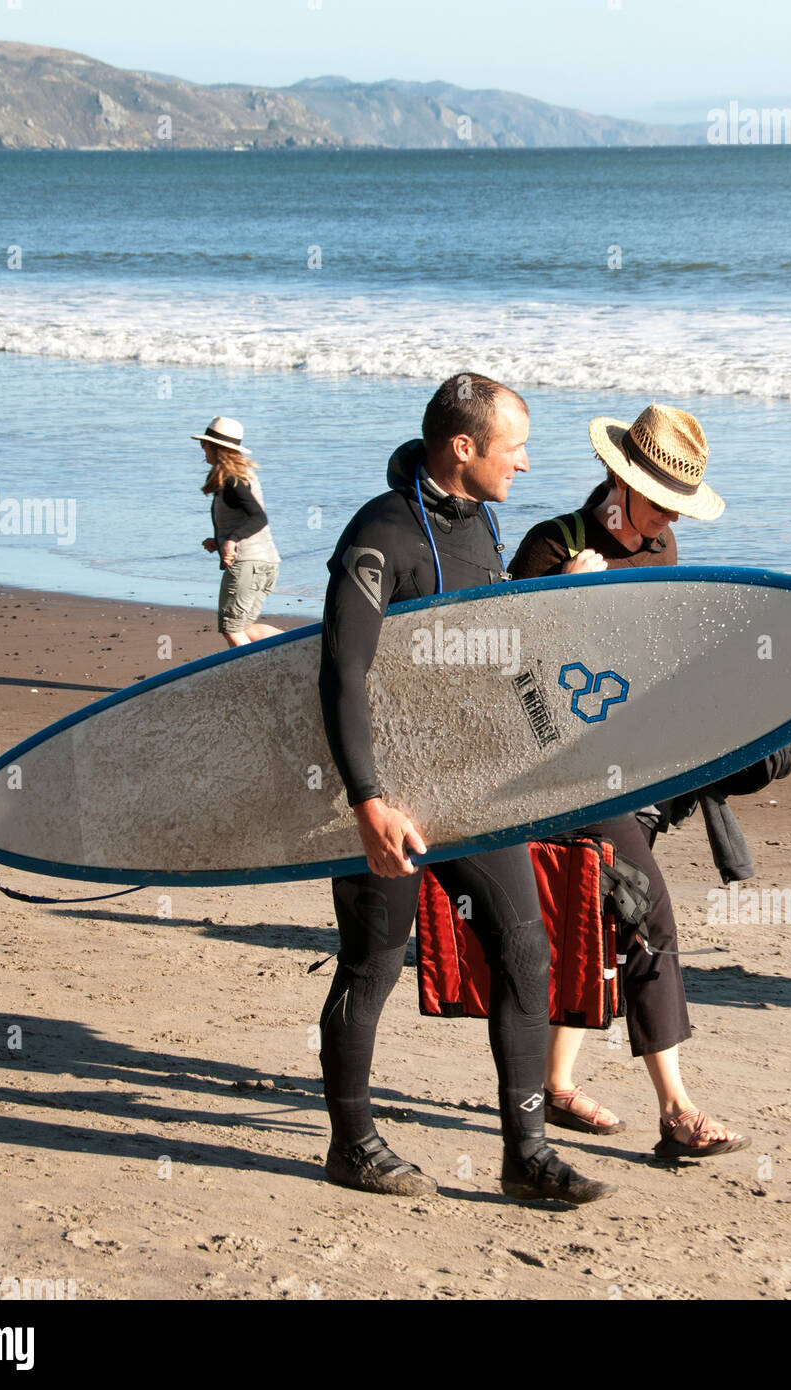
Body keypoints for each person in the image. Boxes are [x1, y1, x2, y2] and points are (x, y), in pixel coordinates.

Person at [316, 373, 615, 1205]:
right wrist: (367, 800)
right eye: (512, 448)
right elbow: (341, 671)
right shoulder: (378, 537)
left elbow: (493, 644)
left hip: (473, 789)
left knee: (526, 954)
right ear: (463, 448)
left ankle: (526, 1156)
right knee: (372, 966)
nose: (523, 464)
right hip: (396, 798)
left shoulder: (481, 521)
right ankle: (352, 1143)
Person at [509, 402, 751, 1160]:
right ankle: (677, 1114)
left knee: (597, 917)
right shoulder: (551, 544)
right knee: (648, 916)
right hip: (558, 774)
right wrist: (563, 600)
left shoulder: (663, 546)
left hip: (633, 764)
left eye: (674, 510)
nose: (663, 522)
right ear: (619, 477)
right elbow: (511, 673)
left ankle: (553, 1084)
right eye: (656, 504)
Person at [195, 416, 282, 648]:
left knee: (232, 630)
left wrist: (231, 540)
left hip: (249, 565)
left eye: (204, 444)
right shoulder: (235, 476)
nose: (201, 448)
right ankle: (304, 648)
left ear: (217, 448)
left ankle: (254, 677)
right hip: (264, 563)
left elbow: (258, 517)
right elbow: (246, 519)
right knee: (243, 628)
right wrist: (220, 540)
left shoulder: (234, 480)